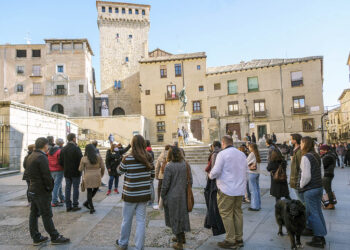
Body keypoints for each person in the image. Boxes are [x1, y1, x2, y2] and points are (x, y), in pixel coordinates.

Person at [26, 137, 70, 246]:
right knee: (46, 214)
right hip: (41, 191)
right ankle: (54, 236)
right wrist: (50, 188)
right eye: (47, 145)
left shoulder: (31, 156)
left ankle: (36, 237)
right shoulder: (42, 157)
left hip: (32, 189)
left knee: (34, 214)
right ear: (45, 145)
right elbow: (47, 176)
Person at [116, 135, 155, 250]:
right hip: (143, 194)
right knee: (141, 221)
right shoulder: (149, 157)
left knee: (126, 220)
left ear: (132, 144)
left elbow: (119, 171)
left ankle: (123, 243)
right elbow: (152, 175)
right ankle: (139, 247)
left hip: (130, 194)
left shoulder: (127, 158)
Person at [209, 135, 247, 249]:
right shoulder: (241, 154)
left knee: (226, 214)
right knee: (238, 213)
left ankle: (230, 240)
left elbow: (216, 171)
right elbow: (245, 170)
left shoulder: (222, 154)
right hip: (239, 189)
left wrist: (210, 175)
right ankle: (239, 238)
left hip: (226, 189)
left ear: (223, 143)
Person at [161, 146, 192, 249]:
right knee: (182, 216)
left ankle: (179, 243)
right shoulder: (185, 164)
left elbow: (165, 184)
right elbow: (190, 181)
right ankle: (182, 237)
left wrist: (162, 196)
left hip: (172, 197)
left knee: (175, 218)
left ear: (170, 154)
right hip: (183, 195)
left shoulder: (169, 166)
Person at [299, 137, 327, 248]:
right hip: (318, 187)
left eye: (301, 143)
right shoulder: (316, 155)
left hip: (310, 189)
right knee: (317, 212)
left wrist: (301, 186)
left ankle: (319, 237)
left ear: (305, 144)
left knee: (313, 213)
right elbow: (322, 172)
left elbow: (305, 176)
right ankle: (319, 233)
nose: (300, 145)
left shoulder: (306, 157)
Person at [204, 141, 225, 236]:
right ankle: (210, 223)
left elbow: (213, 169)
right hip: (223, 183)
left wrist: (210, 175)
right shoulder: (222, 153)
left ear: (214, 146)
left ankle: (215, 226)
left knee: (213, 204)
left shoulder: (215, 155)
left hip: (214, 182)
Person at [59, 133, 83, 212]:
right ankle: (75, 204)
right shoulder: (76, 148)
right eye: (75, 138)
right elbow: (81, 159)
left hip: (67, 171)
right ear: (73, 139)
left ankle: (68, 206)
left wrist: (65, 167)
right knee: (75, 188)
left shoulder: (64, 148)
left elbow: (60, 161)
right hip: (76, 171)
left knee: (68, 188)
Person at [79, 144, 105, 214]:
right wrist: (101, 174)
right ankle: (87, 203)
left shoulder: (84, 158)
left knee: (89, 191)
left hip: (88, 176)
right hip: (97, 175)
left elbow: (80, 169)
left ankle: (91, 207)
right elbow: (102, 167)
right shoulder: (98, 157)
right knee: (96, 189)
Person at [48, 138, 65, 207]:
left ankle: (62, 198)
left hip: (51, 169)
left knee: (58, 184)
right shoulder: (59, 151)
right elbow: (61, 160)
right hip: (59, 169)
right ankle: (54, 201)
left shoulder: (50, 150)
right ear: (61, 143)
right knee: (57, 185)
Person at [319, 145, 336, 210]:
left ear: (325, 150)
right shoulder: (330, 155)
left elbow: (323, 166)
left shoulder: (328, 156)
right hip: (329, 174)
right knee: (328, 189)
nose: (320, 151)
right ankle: (331, 203)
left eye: (321, 150)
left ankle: (331, 204)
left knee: (328, 190)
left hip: (327, 174)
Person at [247, 143, 261, 211]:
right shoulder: (257, 153)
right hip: (257, 172)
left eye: (249, 146)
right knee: (257, 189)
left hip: (252, 173)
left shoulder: (251, 154)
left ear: (251, 147)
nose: (248, 147)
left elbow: (246, 162)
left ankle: (254, 206)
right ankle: (258, 205)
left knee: (253, 190)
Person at [289, 134, 302, 200]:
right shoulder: (294, 149)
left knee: (300, 198)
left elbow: (300, 166)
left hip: (297, 177)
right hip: (294, 175)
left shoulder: (299, 151)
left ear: (295, 140)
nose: (290, 140)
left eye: (291, 139)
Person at [146, 140, 155, 206]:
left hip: (146, 171)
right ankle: (151, 200)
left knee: (149, 186)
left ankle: (150, 201)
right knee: (151, 185)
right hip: (151, 170)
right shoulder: (151, 151)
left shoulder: (145, 152)